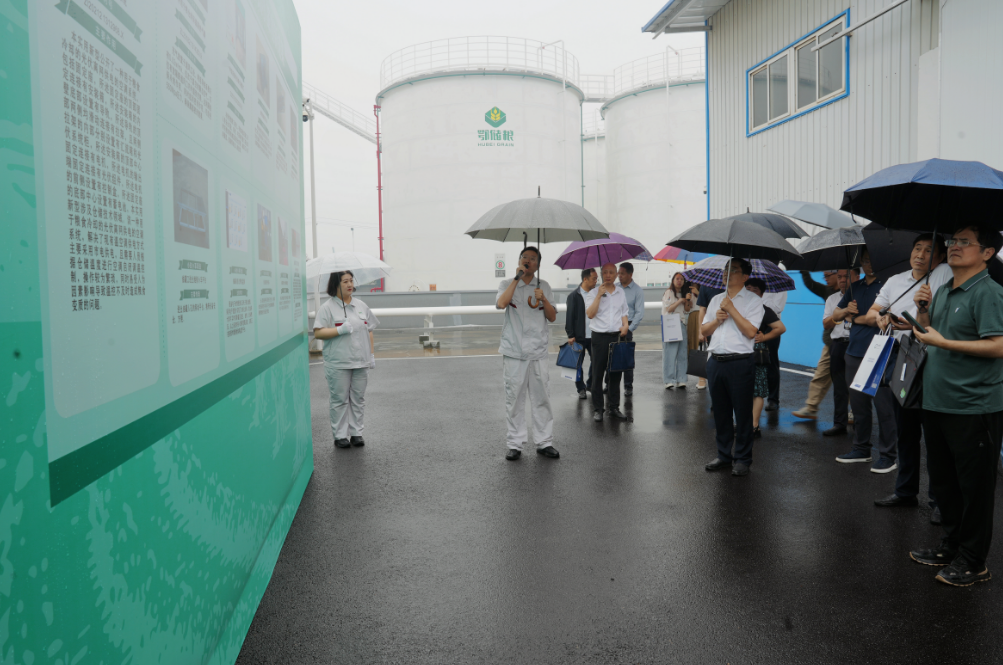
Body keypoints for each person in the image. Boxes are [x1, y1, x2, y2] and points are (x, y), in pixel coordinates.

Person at [908, 225, 1003, 587]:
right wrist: (922, 313)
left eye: (966, 242)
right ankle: (951, 546)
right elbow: (929, 335)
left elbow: (998, 346)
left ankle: (974, 561)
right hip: (937, 402)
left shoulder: (989, 293)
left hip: (974, 406)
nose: (954, 247)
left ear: (987, 253)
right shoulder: (944, 289)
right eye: (953, 241)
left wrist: (944, 343)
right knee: (944, 483)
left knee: (974, 489)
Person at [865, 235, 950, 512]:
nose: (921, 255)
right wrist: (881, 318)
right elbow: (873, 311)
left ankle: (939, 501)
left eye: (929, 250)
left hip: (935, 361)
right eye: (917, 248)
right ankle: (905, 491)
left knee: (936, 436)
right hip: (904, 360)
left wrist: (912, 325)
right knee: (906, 431)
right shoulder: (895, 281)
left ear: (940, 257)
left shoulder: (945, 274)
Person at [831, 250, 898, 472]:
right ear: (860, 262)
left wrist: (855, 318)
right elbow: (835, 316)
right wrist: (846, 311)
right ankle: (861, 449)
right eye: (866, 260)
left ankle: (888, 456)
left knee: (884, 407)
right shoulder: (855, 287)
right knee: (859, 406)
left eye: (873, 260)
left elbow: (877, 319)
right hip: (854, 352)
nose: (869, 264)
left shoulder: (888, 285)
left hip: (880, 352)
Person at [700, 259, 764, 477]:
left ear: (745, 277)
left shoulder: (754, 301)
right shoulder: (716, 299)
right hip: (715, 362)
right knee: (721, 412)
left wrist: (731, 309)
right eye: (726, 269)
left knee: (743, 413)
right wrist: (717, 320)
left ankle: (743, 458)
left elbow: (750, 332)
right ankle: (724, 455)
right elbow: (704, 331)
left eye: (733, 270)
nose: (727, 273)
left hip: (740, 363)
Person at [495, 247, 560, 461]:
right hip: (514, 351)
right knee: (514, 399)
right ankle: (515, 444)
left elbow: (552, 317)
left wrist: (544, 300)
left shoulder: (544, 286)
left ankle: (544, 442)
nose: (528, 261)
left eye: (533, 258)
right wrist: (517, 278)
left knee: (542, 398)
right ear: (519, 261)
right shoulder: (507, 284)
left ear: (538, 264)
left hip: (538, 351)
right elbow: (501, 304)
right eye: (525, 257)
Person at [313, 271, 379, 449]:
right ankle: (340, 435)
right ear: (335, 284)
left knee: (358, 398)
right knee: (339, 400)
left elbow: (369, 330)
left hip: (361, 361)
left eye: (351, 281)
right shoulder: (327, 308)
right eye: (345, 282)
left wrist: (371, 355)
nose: (350, 284)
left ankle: (357, 433)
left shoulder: (361, 305)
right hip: (339, 362)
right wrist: (339, 330)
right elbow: (318, 332)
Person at [792, 270, 840, 420]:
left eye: (828, 275)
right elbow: (811, 285)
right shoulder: (827, 292)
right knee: (820, 375)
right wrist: (804, 271)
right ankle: (811, 407)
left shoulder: (852, 292)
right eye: (824, 276)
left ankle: (853, 411)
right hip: (830, 343)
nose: (825, 279)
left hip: (850, 343)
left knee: (850, 379)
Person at [587, 262, 629, 422]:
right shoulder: (593, 293)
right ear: (601, 274)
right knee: (597, 374)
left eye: (611, 272)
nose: (608, 275)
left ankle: (614, 408)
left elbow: (624, 312)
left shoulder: (620, 292)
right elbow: (590, 314)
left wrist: (625, 325)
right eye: (605, 272)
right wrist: (599, 295)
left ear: (616, 274)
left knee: (615, 374)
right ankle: (598, 409)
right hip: (599, 337)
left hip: (617, 337)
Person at [744, 278, 786, 437]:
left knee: (758, 388)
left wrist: (764, 337)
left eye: (754, 290)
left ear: (761, 294)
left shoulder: (764, 309)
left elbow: (780, 328)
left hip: (756, 352)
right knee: (741, 388)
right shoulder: (736, 308)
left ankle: (754, 425)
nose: (750, 292)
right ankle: (743, 422)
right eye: (748, 288)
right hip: (739, 351)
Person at [822, 269, 858, 436]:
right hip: (837, 344)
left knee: (858, 387)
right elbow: (826, 324)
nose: (842, 280)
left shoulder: (862, 296)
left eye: (847, 276)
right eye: (839, 277)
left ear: (857, 277)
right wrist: (842, 314)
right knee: (839, 387)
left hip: (857, 344)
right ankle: (839, 424)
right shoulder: (832, 299)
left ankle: (859, 423)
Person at [612, 262, 644, 397]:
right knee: (611, 356)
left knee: (626, 357)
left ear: (630, 275)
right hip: (613, 325)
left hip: (628, 325)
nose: (619, 276)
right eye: (618, 273)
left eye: (622, 274)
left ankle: (628, 386)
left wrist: (629, 329)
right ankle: (609, 385)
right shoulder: (614, 288)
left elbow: (639, 313)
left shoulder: (637, 291)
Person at [565, 268, 597, 399]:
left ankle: (590, 384)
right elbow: (569, 317)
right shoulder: (574, 296)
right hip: (579, 337)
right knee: (577, 365)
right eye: (594, 278)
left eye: (597, 278)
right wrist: (570, 335)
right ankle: (581, 388)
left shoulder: (597, 294)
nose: (596, 281)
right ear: (585, 279)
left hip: (595, 335)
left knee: (597, 362)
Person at [661, 272, 692, 388]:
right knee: (670, 353)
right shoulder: (669, 292)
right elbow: (669, 309)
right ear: (673, 280)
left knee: (682, 353)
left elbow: (687, 310)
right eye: (677, 279)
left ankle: (681, 379)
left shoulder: (684, 293)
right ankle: (669, 379)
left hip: (682, 323)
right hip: (671, 323)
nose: (679, 281)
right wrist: (680, 300)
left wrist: (687, 300)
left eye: (682, 279)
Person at [760, 288, 787, 411]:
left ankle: (773, 399)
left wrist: (758, 300)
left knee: (771, 362)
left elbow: (777, 308)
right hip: (753, 324)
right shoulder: (751, 283)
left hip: (771, 325)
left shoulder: (779, 288)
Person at [696, 282, 725, 390]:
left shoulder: (733, 286)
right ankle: (702, 378)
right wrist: (700, 330)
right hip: (711, 327)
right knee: (710, 354)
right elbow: (702, 309)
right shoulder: (706, 285)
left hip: (729, 329)